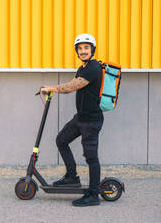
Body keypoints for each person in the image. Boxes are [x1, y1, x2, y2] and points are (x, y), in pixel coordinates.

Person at [40, 33, 103, 207]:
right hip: (81, 118)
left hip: (91, 121)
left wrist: (50, 88)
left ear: (92, 50)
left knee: (91, 158)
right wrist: (51, 88)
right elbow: (73, 81)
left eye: (86, 48)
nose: (83, 51)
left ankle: (93, 194)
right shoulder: (83, 68)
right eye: (80, 48)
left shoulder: (93, 68)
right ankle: (72, 177)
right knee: (61, 140)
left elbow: (71, 87)